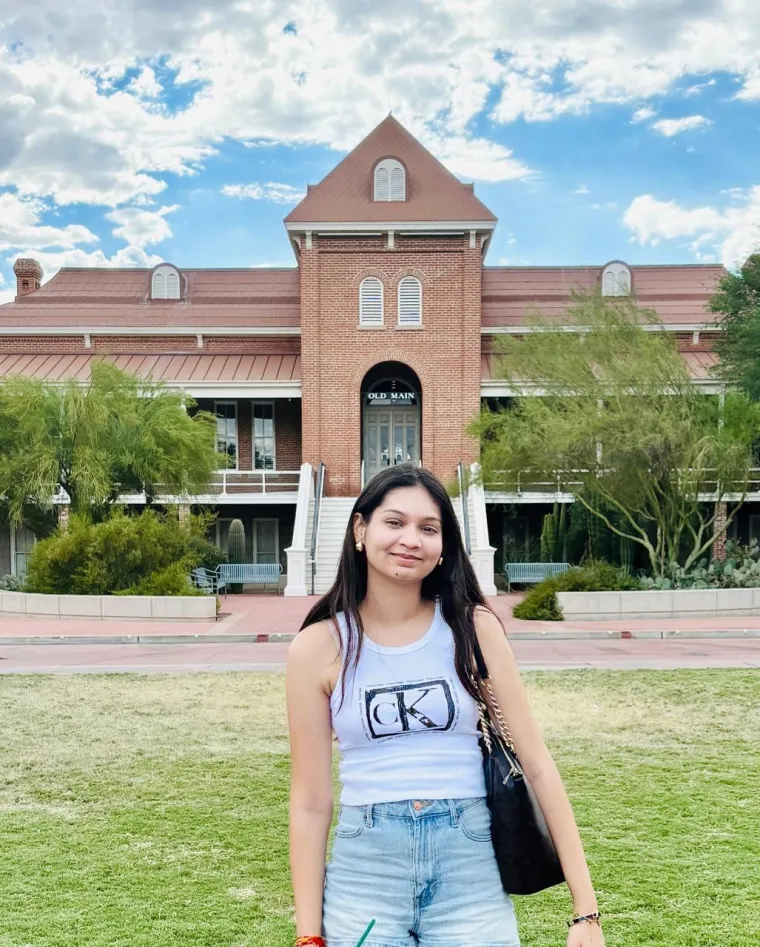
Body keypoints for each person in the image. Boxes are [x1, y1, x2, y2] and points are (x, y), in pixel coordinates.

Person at [286, 463, 605, 947]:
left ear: (443, 547)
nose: (410, 539)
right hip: (366, 872)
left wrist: (585, 911)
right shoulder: (317, 647)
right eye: (394, 522)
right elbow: (311, 803)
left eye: (428, 528)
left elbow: (537, 763)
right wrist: (308, 936)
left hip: (469, 868)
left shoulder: (473, 629)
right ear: (360, 529)